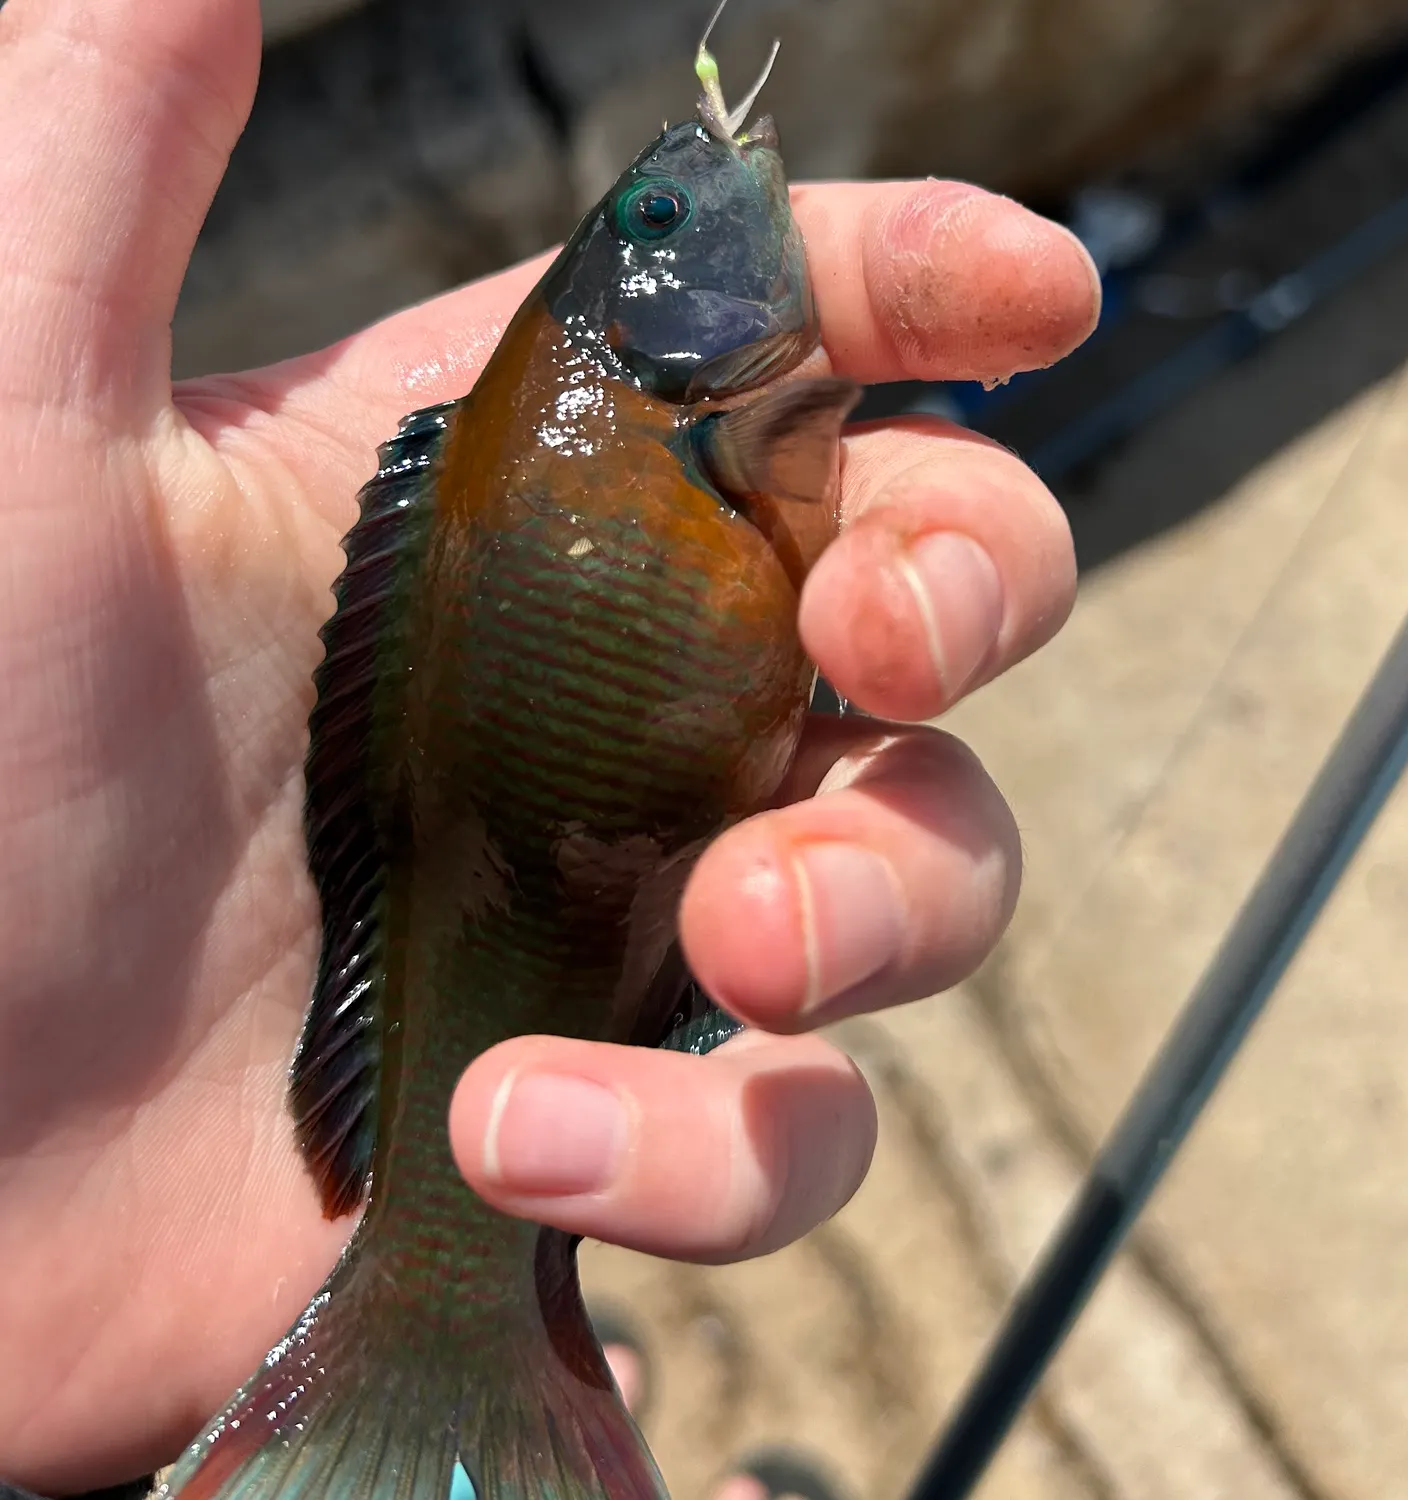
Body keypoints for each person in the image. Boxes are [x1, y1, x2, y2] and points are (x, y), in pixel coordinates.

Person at [0, 0, 1100, 1492]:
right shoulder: (733, 424)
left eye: (652, 212)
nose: (691, 187)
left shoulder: (733, 418)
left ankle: (467, 1358)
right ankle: (468, 1350)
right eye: (660, 212)